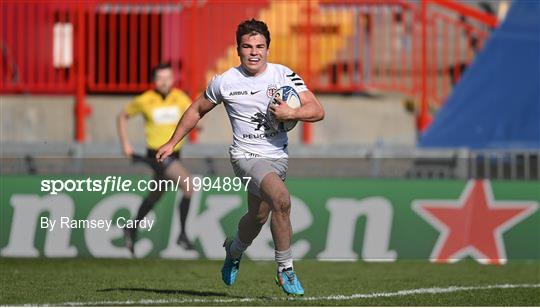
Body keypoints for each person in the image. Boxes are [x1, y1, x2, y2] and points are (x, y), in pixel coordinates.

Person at [156, 19, 324, 295]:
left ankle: (233, 251)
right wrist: (173, 142)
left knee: (258, 217)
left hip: (277, 157)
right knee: (281, 200)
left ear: (268, 49)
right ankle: (285, 269)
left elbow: (317, 110)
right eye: (247, 46)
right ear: (238, 50)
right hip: (245, 156)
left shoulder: (284, 75)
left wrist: (290, 113)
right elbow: (197, 109)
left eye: (259, 46)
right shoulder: (225, 82)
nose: (254, 52)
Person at [117, 62, 195, 255]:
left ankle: (132, 226)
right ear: (154, 80)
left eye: (168, 78)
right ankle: (182, 234)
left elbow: (194, 113)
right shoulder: (146, 99)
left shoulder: (180, 97)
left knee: (155, 195)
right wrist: (126, 144)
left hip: (175, 154)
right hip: (158, 156)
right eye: (160, 78)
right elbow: (122, 116)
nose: (164, 82)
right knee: (188, 186)